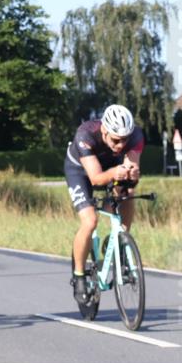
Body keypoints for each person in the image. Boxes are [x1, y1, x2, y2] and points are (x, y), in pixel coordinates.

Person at [64, 105, 144, 306]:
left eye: (125, 140)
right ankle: (79, 276)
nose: (121, 145)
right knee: (90, 221)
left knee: (128, 194)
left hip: (110, 166)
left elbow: (131, 178)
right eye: (116, 140)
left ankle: (119, 241)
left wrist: (133, 176)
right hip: (80, 171)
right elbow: (96, 179)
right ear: (104, 131)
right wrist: (116, 172)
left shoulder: (135, 136)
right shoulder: (86, 135)